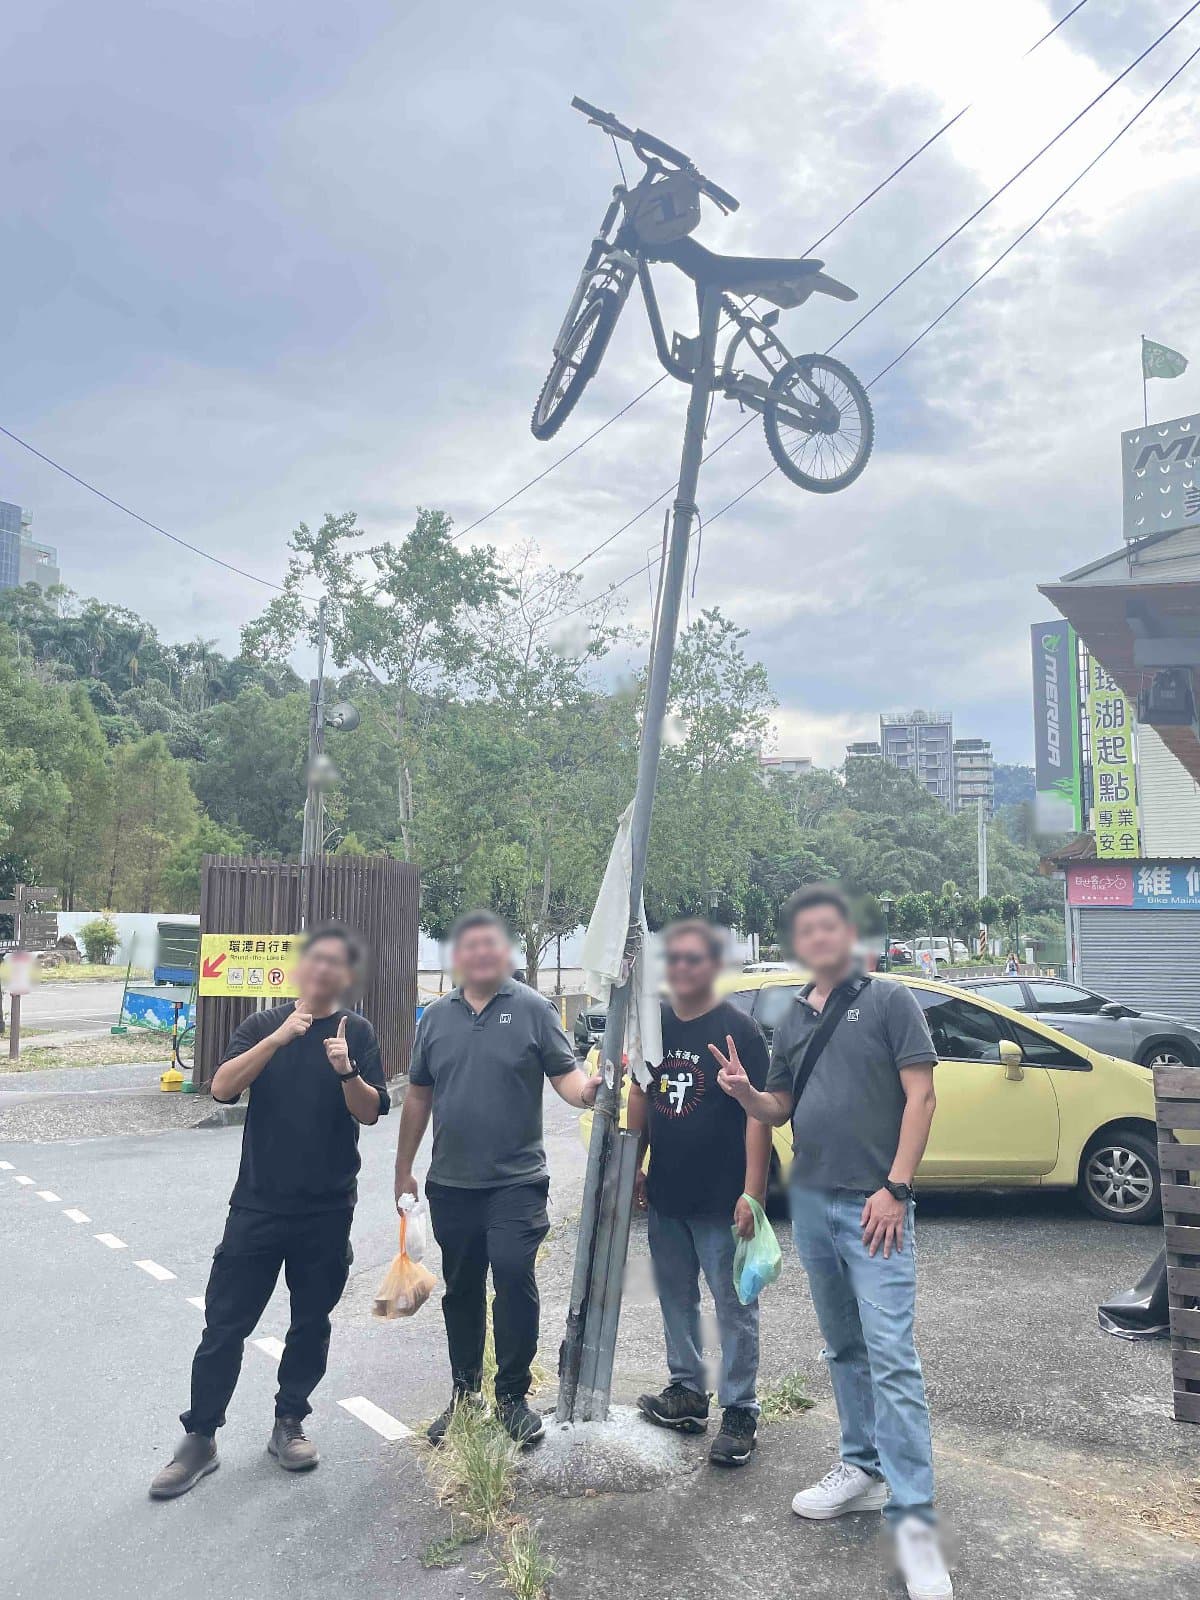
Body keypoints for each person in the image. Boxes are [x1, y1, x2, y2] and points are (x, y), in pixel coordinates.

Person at [713, 885, 953, 1600]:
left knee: (893, 1360)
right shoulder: (790, 1013)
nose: (818, 938)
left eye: (829, 926)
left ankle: (916, 1529)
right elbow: (780, 1104)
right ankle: (862, 1470)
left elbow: (923, 1096)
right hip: (814, 1206)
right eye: (805, 929)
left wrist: (897, 1186)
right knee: (844, 1348)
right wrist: (745, 1096)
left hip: (876, 1206)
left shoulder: (888, 1001)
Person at [150, 924, 388, 1500]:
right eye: (315, 961)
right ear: (299, 970)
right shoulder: (262, 1026)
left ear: (346, 977)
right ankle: (200, 1437)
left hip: (328, 1209)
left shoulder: (357, 1032)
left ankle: (289, 1424)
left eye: (336, 964)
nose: (323, 971)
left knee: (310, 1323)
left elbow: (372, 1111)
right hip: (257, 1204)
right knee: (224, 1325)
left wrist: (346, 1070)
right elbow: (223, 1090)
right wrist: (280, 1037)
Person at [394, 909, 600, 1447]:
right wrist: (403, 1169)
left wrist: (588, 1091)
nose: (481, 954)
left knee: (512, 1275)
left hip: (517, 1181)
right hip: (451, 1183)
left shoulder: (534, 1009)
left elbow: (565, 1075)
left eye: (491, 945)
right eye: (470, 946)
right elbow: (418, 1095)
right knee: (461, 1288)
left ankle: (512, 1395)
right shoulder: (436, 1017)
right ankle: (465, 1396)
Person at [627, 919, 773, 1467]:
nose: (683, 968)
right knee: (676, 1298)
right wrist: (637, 1165)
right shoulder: (655, 1024)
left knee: (734, 1306)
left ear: (714, 966)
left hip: (721, 1197)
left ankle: (740, 1409)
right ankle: (686, 1390)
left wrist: (752, 1194)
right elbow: (642, 1092)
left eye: (695, 959)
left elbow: (757, 1118)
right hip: (667, 1193)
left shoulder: (740, 1032)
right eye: (675, 959)